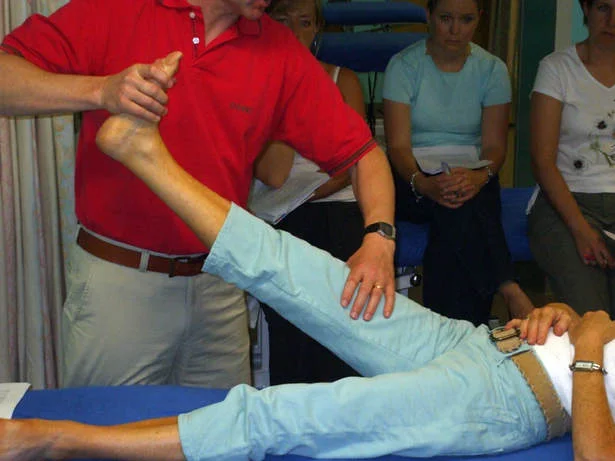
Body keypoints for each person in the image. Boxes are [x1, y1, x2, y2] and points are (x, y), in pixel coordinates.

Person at [2, 82, 614, 461]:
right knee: (290, 267)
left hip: (507, 399)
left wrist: (586, 352)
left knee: (286, 413)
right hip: (482, 342)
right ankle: (145, 155)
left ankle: (55, 439)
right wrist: (568, 317)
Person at [0, 0, 396, 388]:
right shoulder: (117, 9)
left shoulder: (276, 48)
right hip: (122, 288)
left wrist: (380, 239)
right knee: (107, 437)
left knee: (220, 440)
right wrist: (101, 91)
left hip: (219, 287)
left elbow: (364, 155)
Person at [383, 0, 534, 325]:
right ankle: (504, 287)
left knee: (458, 208)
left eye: (465, 20)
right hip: (410, 175)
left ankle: (447, 326)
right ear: (429, 16)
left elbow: (495, 147)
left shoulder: (492, 69)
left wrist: (480, 176)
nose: (455, 30)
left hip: (470, 174)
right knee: (463, 207)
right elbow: (397, 146)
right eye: (445, 19)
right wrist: (423, 183)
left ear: (479, 19)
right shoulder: (403, 66)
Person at [253, 0, 365, 384]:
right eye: (284, 21)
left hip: (334, 197)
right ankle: (293, 397)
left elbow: (356, 163)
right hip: (281, 204)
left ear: (317, 28)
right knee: (292, 299)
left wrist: (313, 191)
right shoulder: (253, 80)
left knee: (340, 297)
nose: (295, 32)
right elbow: (270, 172)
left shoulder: (342, 80)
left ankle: (343, 394)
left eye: (305, 23)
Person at [528, 0, 615, 316]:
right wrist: (580, 229)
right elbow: (542, 161)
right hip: (566, 204)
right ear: (586, 9)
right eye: (604, 7)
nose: (612, 19)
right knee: (595, 319)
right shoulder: (557, 69)